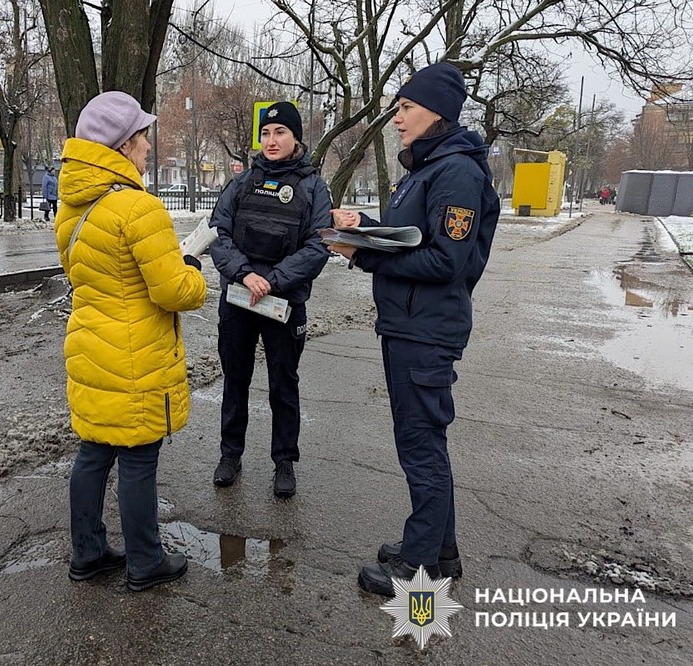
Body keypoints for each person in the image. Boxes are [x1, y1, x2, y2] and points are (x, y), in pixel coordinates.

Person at [328, 62, 499, 596]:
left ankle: (419, 566)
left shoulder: (457, 173)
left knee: (421, 446)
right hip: (408, 325)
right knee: (422, 441)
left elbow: (445, 260)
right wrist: (364, 227)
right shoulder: (428, 168)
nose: (397, 119)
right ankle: (440, 551)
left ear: (437, 111)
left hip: (426, 330)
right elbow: (409, 237)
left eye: (405, 108)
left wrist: (362, 255)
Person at [54, 91, 208, 592]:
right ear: (123, 145)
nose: (146, 147)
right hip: (136, 354)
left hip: (90, 345)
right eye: (142, 138)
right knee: (139, 460)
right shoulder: (139, 208)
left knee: (93, 455)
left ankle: (88, 552)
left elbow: (90, 275)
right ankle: (145, 561)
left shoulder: (72, 208)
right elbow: (173, 291)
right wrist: (193, 270)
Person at [209, 101, 332, 498]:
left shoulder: (313, 188)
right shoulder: (241, 182)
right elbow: (218, 234)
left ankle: (284, 461)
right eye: (266, 133)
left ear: (296, 138)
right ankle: (230, 454)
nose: (271, 140)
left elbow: (318, 245)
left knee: (283, 383)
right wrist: (246, 274)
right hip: (239, 298)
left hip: (284, 302)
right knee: (235, 380)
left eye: (280, 132)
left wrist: (273, 281)